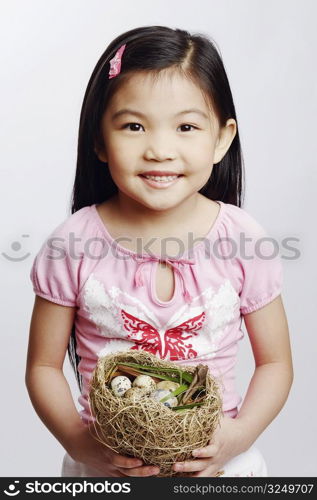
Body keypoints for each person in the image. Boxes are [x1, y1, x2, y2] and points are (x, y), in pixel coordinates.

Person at [25, 25, 293, 478]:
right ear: (99, 141)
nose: (160, 150)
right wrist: (81, 445)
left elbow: (276, 362)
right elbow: (43, 366)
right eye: (133, 126)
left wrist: (237, 437)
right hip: (108, 471)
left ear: (222, 139)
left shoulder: (243, 238)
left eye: (187, 127)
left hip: (219, 468)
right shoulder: (72, 243)